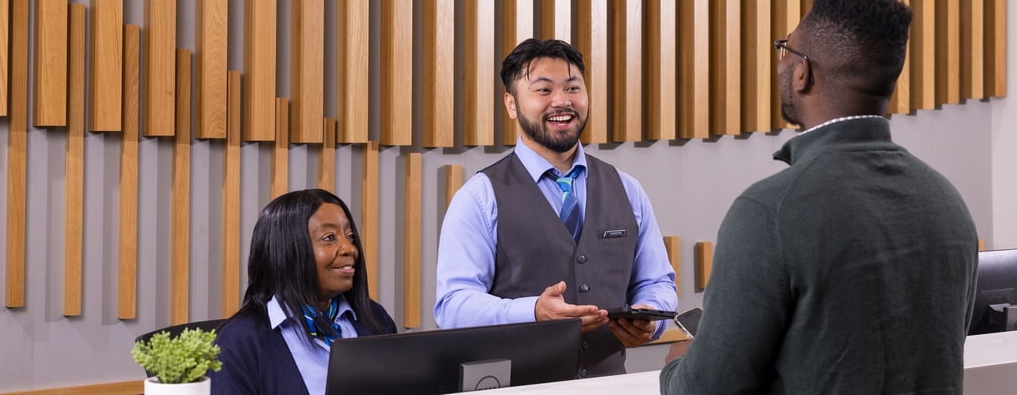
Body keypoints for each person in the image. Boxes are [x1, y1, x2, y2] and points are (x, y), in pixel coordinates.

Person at [660, 0, 979, 394]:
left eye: (785, 51)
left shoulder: (768, 211)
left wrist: (678, 364)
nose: (781, 64)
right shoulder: (948, 202)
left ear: (803, 73)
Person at [435, 38, 678, 377]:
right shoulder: (479, 197)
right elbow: (453, 306)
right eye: (544, 90)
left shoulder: (627, 189)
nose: (562, 101)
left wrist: (651, 316)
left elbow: (657, 281)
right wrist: (532, 311)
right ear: (511, 103)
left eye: (572, 87)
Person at [213, 189, 398, 395]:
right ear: (287, 251)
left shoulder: (375, 319)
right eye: (329, 238)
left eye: (350, 236)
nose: (349, 248)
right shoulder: (240, 341)